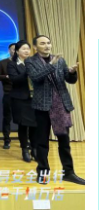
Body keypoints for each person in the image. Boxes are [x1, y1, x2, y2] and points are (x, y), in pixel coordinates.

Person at [25, 34, 85, 185]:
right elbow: (36, 77)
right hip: (42, 107)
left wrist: (71, 73)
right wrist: (51, 64)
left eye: (48, 43)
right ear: (35, 47)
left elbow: (69, 80)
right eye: (43, 43)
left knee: (64, 142)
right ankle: (43, 173)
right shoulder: (30, 61)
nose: (47, 46)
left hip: (61, 105)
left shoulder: (60, 60)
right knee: (42, 143)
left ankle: (69, 173)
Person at [7, 40, 38, 163]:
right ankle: (24, 149)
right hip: (20, 99)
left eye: (28, 49)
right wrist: (27, 71)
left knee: (35, 125)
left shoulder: (34, 62)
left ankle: (34, 149)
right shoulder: (12, 64)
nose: (26, 51)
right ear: (17, 51)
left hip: (34, 98)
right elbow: (14, 80)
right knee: (23, 125)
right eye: (23, 49)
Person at [0, 43, 17, 149]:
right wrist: (6, 76)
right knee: (7, 118)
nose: (15, 51)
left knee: (24, 118)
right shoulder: (2, 63)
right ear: (9, 51)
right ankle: (6, 140)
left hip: (23, 94)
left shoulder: (25, 62)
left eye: (17, 49)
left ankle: (26, 141)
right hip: (8, 93)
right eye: (13, 49)